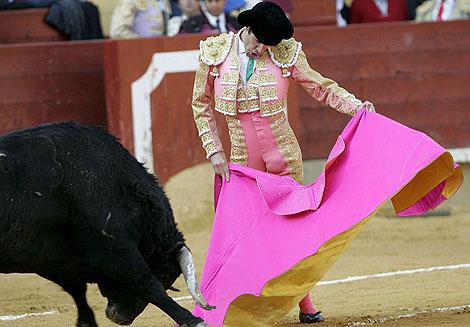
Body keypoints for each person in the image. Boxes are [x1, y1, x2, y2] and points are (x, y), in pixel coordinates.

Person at [190, 1, 375, 323]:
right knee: (241, 234)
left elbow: (321, 88)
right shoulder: (215, 52)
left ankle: (305, 304)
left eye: (267, 44)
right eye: (258, 41)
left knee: (293, 230)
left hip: (283, 157)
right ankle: (227, 305)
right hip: (240, 161)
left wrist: (356, 107)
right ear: (245, 29)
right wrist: (214, 151)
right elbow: (200, 104)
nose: (261, 49)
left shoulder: (284, 53)